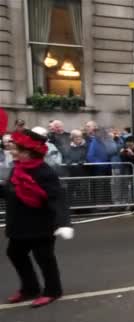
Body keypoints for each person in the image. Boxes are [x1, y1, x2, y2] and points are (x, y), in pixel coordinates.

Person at [4, 129, 73, 308]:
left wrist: (64, 223)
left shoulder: (44, 172)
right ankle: (30, 288)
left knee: (44, 257)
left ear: (27, 152)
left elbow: (57, 198)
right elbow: (9, 192)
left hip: (40, 225)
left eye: (14, 148)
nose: (11, 151)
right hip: (19, 223)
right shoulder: (17, 168)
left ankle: (52, 291)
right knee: (15, 253)